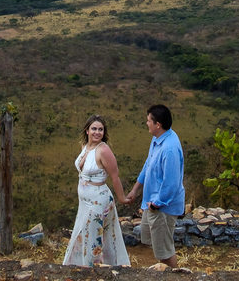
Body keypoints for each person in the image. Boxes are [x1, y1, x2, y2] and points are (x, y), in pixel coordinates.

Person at [62, 115, 131, 266]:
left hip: (98, 202)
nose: (97, 132)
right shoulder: (85, 146)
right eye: (94, 129)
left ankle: (94, 270)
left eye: (100, 129)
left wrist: (122, 198)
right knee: (83, 234)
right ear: (87, 130)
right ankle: (81, 267)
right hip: (84, 202)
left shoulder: (104, 150)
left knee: (94, 240)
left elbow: (115, 176)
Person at [123, 104, 185, 267]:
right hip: (152, 202)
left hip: (162, 206)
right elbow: (148, 164)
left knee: (164, 251)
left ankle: (173, 276)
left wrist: (157, 204)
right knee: (156, 243)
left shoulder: (169, 149)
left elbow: (171, 183)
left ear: (158, 124)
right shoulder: (158, 138)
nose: (146, 123)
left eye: (149, 120)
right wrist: (136, 189)